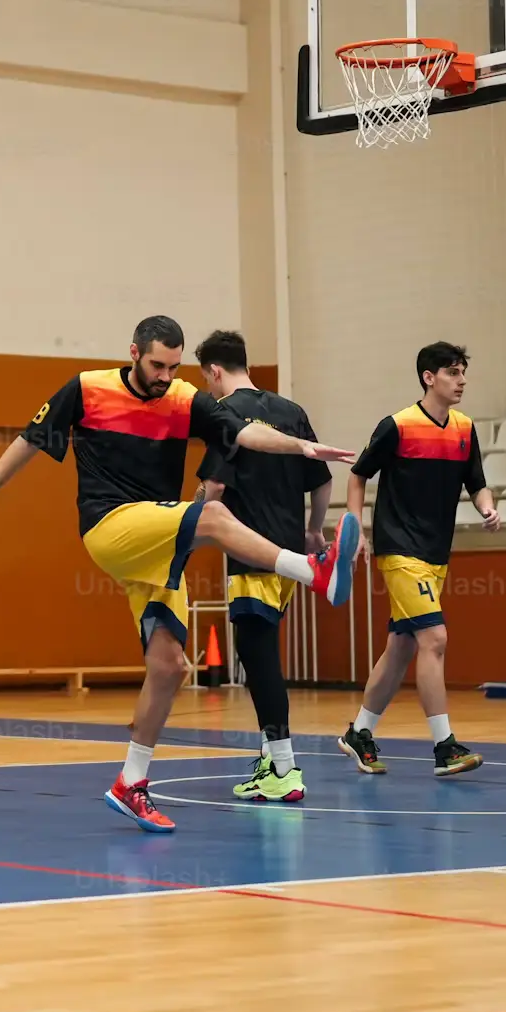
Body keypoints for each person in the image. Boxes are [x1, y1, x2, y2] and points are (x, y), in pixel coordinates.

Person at [0, 316, 357, 833]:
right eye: (156, 365)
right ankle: (313, 573)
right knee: (213, 515)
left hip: (158, 537)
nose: (165, 375)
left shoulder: (186, 398)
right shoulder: (87, 388)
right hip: (109, 525)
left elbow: (246, 431)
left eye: (173, 365)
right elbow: (29, 441)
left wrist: (299, 447)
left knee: (169, 667)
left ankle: (130, 783)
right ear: (133, 353)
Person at [340, 342, 497, 777]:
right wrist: (356, 530)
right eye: (452, 372)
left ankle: (360, 733)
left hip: (436, 554)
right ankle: (445, 746)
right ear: (429, 377)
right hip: (400, 549)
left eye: (463, 372)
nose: (461, 380)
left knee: (402, 645)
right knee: (435, 639)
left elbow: (477, 482)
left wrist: (486, 506)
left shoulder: (465, 428)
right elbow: (357, 475)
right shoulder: (398, 426)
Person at [191, 330, 332, 803]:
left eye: (204, 377)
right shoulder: (291, 411)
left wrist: (186, 525)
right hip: (292, 551)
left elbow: (213, 489)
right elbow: (321, 478)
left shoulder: (223, 415)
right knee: (264, 652)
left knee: (258, 659)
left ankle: (286, 770)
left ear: (213, 371)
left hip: (251, 551)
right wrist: (314, 530)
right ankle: (271, 760)